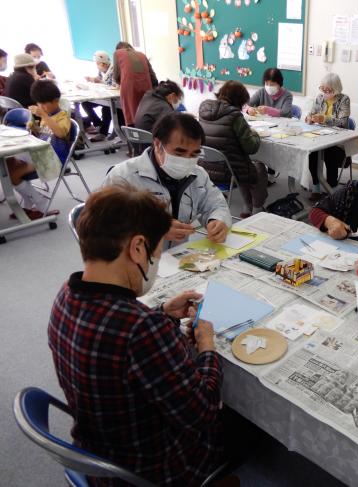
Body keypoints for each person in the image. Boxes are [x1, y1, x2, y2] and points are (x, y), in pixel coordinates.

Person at [48, 184, 226, 486]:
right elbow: (203, 410)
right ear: (138, 248)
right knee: (244, 426)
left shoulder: (66, 293)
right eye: (157, 252)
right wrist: (207, 345)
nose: (154, 262)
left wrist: (162, 312)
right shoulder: (141, 329)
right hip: (151, 471)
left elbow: (117, 336)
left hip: (98, 453)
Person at [103, 112, 231, 244]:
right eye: (179, 152)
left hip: (176, 257)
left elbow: (216, 204)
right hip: (133, 260)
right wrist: (155, 229)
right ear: (158, 145)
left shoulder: (198, 175)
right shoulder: (122, 177)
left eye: (194, 154)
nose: (187, 160)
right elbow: (104, 227)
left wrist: (217, 220)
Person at [199, 80, 267, 219]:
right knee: (258, 167)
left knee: (241, 163)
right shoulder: (235, 116)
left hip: (205, 168)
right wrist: (254, 134)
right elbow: (251, 147)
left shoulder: (204, 110)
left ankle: (247, 206)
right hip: (228, 172)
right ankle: (257, 208)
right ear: (239, 100)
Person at [6, 79, 68, 219]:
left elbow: (60, 133)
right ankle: (28, 204)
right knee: (9, 162)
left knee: (13, 174)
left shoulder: (63, 117)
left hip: (53, 158)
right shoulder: (47, 116)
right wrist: (35, 128)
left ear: (56, 101)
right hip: (41, 153)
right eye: (39, 103)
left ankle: (40, 203)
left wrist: (43, 115)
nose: (41, 106)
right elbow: (45, 133)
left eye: (44, 103)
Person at [306, 73, 351, 201]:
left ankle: (332, 187)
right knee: (312, 154)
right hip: (319, 137)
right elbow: (310, 113)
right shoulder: (319, 98)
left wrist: (324, 119)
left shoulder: (344, 100)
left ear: (336, 89)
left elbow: (342, 122)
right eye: (323, 89)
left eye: (329, 90)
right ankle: (316, 186)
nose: (325, 92)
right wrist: (309, 118)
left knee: (331, 154)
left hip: (337, 141)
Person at [113, 41, 158, 126]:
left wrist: (120, 83)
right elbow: (153, 77)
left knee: (131, 114)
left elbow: (116, 76)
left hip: (129, 88)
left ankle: (132, 136)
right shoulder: (141, 54)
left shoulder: (118, 54)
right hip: (146, 87)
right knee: (145, 113)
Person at [81, 50, 121, 142]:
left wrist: (101, 82)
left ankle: (103, 132)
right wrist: (92, 79)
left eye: (99, 63)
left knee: (106, 108)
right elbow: (100, 79)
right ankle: (98, 123)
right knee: (85, 103)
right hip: (102, 96)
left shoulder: (113, 70)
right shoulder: (101, 70)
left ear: (104, 63)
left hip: (113, 98)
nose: (98, 66)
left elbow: (115, 85)